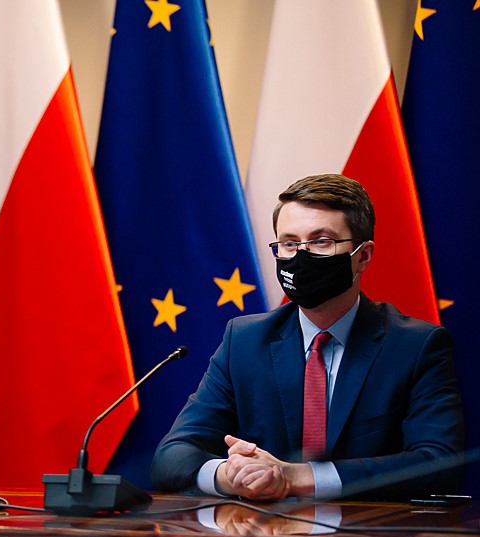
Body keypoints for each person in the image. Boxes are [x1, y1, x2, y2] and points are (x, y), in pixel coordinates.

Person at [150, 174, 464, 501]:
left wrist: (297, 477)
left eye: (321, 241)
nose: (301, 257)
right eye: (289, 244)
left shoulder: (416, 346)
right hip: (267, 529)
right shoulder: (244, 341)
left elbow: (439, 464)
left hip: (370, 530)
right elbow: (171, 456)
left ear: (363, 256)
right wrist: (231, 476)